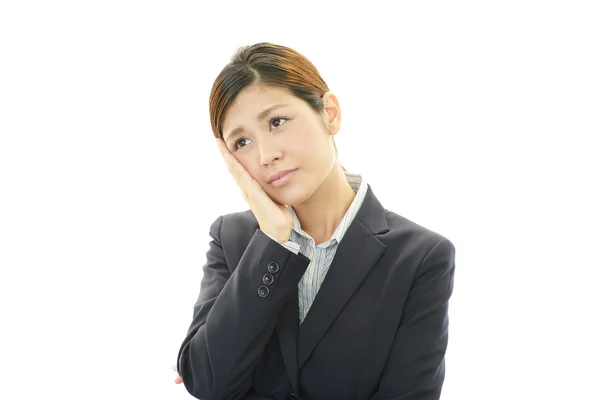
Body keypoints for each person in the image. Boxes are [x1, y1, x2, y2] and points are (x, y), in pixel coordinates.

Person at [173, 42, 456, 400]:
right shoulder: (232, 238)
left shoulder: (420, 257)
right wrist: (274, 242)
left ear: (330, 113)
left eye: (277, 122)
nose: (266, 155)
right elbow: (206, 382)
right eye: (242, 142)